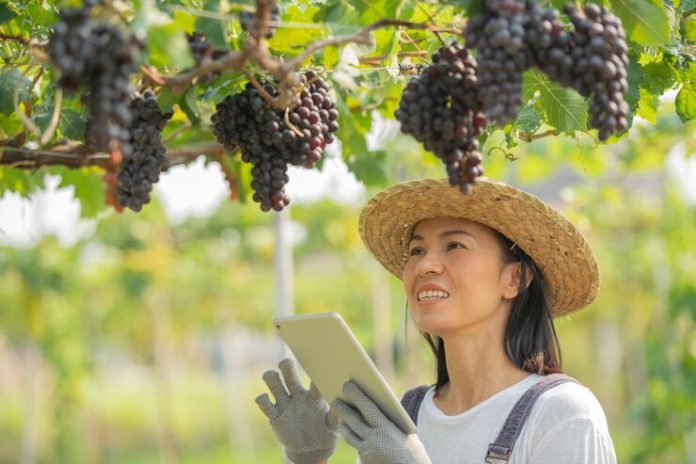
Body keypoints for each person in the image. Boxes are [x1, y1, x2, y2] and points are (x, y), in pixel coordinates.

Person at [255, 177, 616, 464]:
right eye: (417, 250)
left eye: (455, 245)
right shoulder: (404, 417)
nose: (425, 264)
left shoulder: (562, 415)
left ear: (515, 279)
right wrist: (309, 459)